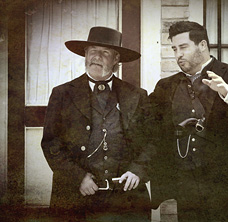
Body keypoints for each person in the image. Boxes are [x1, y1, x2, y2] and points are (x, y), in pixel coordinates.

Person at [149, 21, 228, 221]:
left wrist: (227, 91)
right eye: (174, 49)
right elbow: (145, 120)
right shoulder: (166, 86)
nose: (178, 55)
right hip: (187, 189)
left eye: (183, 47)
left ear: (202, 45)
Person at [41, 26, 150, 221]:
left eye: (104, 53)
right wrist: (78, 177)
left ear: (116, 59)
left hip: (125, 198)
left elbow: (152, 140)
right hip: (77, 196)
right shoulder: (62, 94)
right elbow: (51, 143)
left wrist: (138, 170)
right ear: (85, 55)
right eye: (92, 52)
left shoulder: (137, 95)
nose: (96, 57)